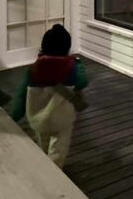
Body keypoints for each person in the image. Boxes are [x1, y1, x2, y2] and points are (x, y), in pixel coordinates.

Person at [11, 25, 87, 168]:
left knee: (43, 144)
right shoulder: (73, 68)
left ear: (44, 46)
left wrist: (14, 115)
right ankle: (54, 171)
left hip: (38, 119)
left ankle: (44, 167)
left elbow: (20, 96)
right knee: (58, 149)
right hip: (62, 120)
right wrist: (79, 64)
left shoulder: (33, 70)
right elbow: (83, 82)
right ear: (67, 47)